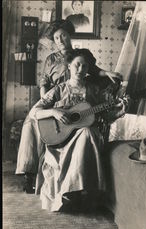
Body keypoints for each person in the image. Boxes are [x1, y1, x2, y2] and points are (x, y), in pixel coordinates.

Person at [15, 19, 123, 194]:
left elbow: (94, 70)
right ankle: (29, 173)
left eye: (63, 36)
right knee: (30, 122)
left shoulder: (79, 56)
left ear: (69, 35)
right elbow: (44, 82)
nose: (60, 41)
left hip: (73, 104)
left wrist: (107, 73)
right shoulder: (51, 59)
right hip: (55, 99)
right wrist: (46, 101)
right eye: (56, 38)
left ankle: (76, 182)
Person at [29, 49, 126, 212]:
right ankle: (74, 192)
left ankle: (76, 191)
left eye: (85, 66)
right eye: (77, 65)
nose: (80, 70)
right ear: (69, 66)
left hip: (88, 137)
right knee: (86, 133)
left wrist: (119, 112)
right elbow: (34, 112)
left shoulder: (94, 91)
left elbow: (104, 117)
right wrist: (54, 111)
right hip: (62, 138)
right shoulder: (59, 90)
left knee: (87, 131)